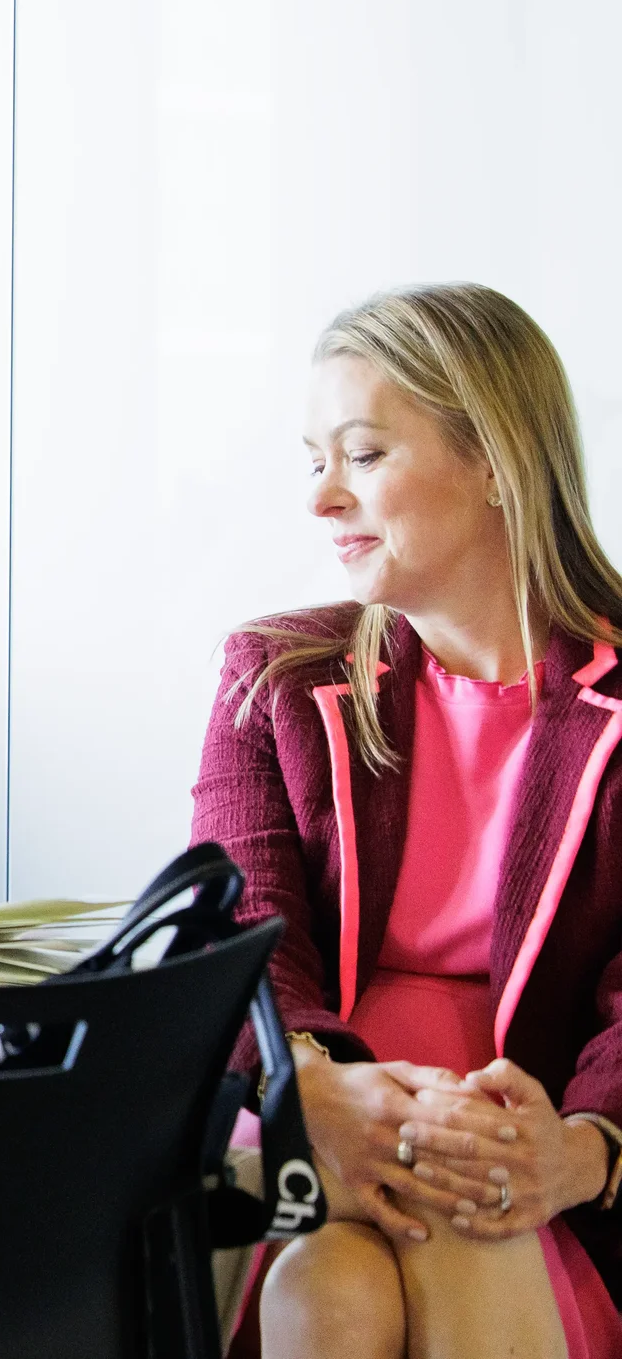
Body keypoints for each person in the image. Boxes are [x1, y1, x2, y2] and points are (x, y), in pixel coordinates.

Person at [194, 284, 622, 1357]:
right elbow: (237, 927)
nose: (322, 499)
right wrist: (315, 1088)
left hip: (543, 1169)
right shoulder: (276, 676)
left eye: (364, 453)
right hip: (308, 1137)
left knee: (427, 1229)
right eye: (313, 459)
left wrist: (581, 1148)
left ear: (493, 461)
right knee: (339, 1264)